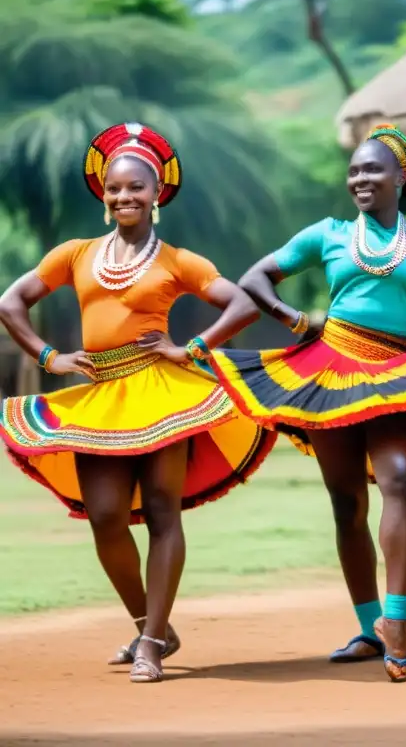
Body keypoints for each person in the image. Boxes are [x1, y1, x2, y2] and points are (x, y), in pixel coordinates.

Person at [208, 124, 406, 683]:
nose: (360, 179)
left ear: (400, 178)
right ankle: (370, 630)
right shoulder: (330, 232)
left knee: (397, 479)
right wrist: (295, 320)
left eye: (373, 170)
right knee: (345, 502)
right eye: (355, 171)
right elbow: (255, 277)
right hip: (330, 368)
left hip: (394, 373)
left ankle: (397, 621)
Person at [0, 123, 276, 683]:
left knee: (160, 512)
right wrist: (51, 357)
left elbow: (243, 303)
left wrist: (191, 348)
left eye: (136, 188)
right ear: (104, 199)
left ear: (157, 195)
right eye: (114, 190)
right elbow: (11, 302)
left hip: (159, 392)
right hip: (100, 395)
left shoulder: (177, 259)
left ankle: (151, 641)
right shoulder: (75, 254)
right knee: (104, 517)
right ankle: (152, 623)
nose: (124, 196)